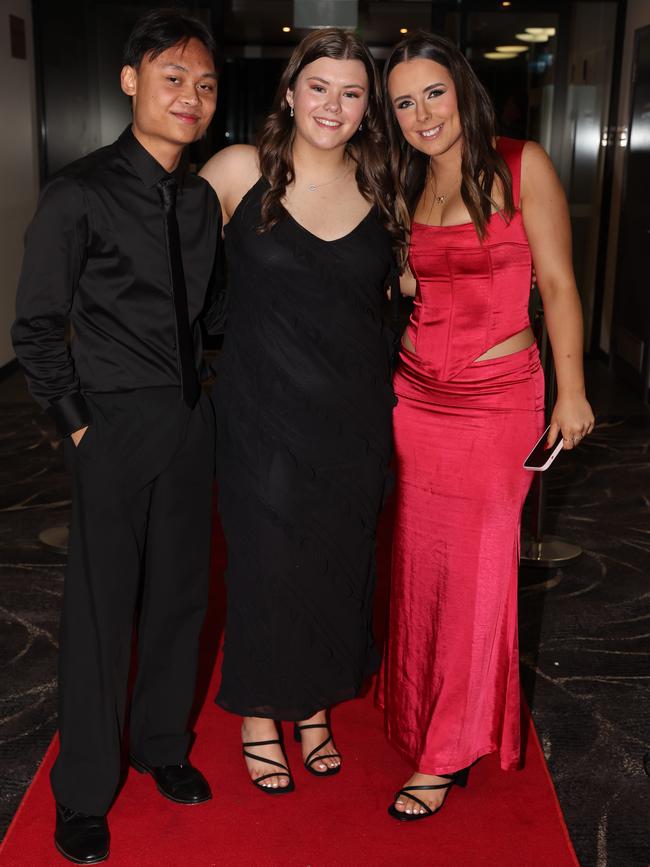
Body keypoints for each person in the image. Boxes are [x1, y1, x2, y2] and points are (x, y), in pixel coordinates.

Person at [12, 10, 222, 863]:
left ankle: (164, 746)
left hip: (189, 420)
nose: (191, 97)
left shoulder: (204, 197)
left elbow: (214, 320)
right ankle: (84, 791)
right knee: (101, 615)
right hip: (110, 424)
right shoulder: (79, 191)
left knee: (181, 597)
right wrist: (77, 426)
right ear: (130, 80)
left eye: (206, 85)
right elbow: (35, 328)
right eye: (173, 78)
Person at [378, 32, 595, 822]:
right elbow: (408, 282)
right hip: (414, 401)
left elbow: (563, 285)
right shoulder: (406, 179)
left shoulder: (520, 163)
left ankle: (447, 748)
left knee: (476, 573)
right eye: (403, 101)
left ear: (462, 88)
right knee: (419, 563)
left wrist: (571, 392)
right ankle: (415, 711)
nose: (421, 113)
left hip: (497, 400)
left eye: (432, 92)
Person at [199, 27, 398, 794]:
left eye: (352, 92)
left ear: (365, 108)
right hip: (259, 413)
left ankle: (311, 708)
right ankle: (258, 711)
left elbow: (401, 294)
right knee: (262, 564)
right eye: (319, 86)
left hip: (353, 416)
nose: (334, 104)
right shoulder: (238, 170)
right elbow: (164, 268)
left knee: (336, 564)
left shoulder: (383, 186)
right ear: (289, 91)